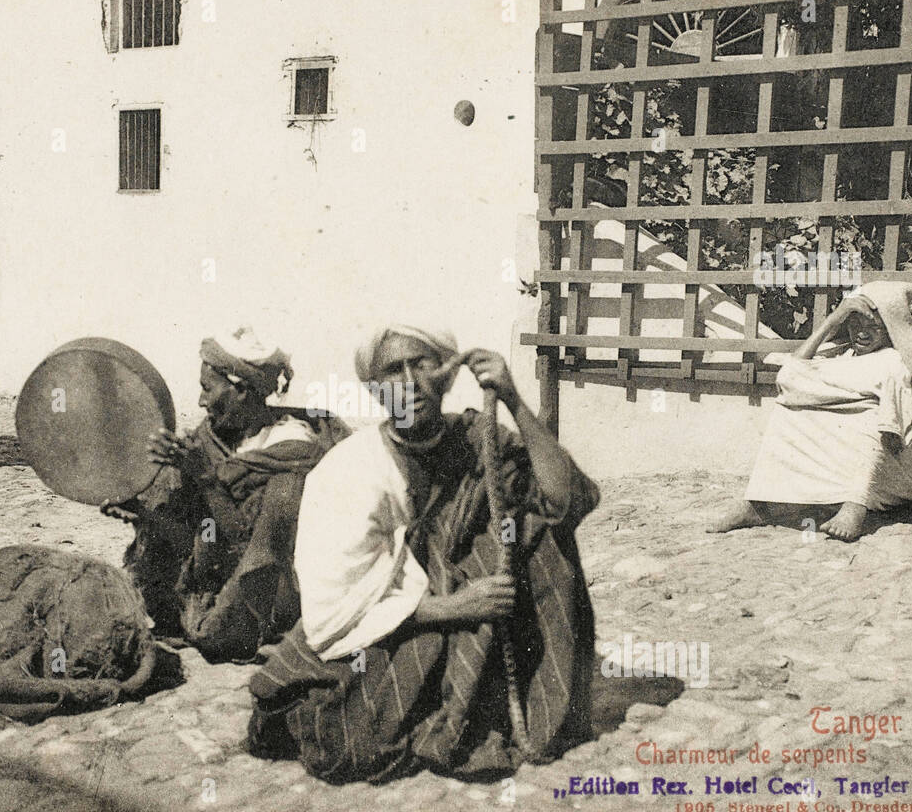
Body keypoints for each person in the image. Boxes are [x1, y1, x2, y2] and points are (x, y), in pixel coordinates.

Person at [247, 325, 601, 783]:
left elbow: (564, 499)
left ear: (449, 375)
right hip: (398, 622)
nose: (411, 381)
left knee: (540, 532)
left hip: (482, 608)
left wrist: (513, 399)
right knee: (352, 742)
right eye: (393, 371)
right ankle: (457, 702)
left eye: (424, 363)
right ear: (373, 390)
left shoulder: (480, 440)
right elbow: (334, 606)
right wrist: (453, 607)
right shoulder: (348, 471)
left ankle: (537, 699)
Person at [102, 328, 342, 663]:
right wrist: (142, 512)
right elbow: (200, 541)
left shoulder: (292, 455)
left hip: (269, 589)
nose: (201, 401)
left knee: (214, 633)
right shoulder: (212, 439)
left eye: (207, 388)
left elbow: (253, 548)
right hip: (218, 577)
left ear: (241, 390)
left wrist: (206, 479)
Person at [708, 280, 912, 542]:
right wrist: (832, 321)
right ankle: (758, 505)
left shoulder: (894, 360)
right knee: (786, 411)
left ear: (890, 330)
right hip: (846, 459)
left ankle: (856, 504)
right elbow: (789, 376)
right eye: (855, 323)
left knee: (871, 416)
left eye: (874, 326)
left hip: (898, 468)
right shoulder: (840, 355)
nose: (862, 333)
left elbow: (895, 429)